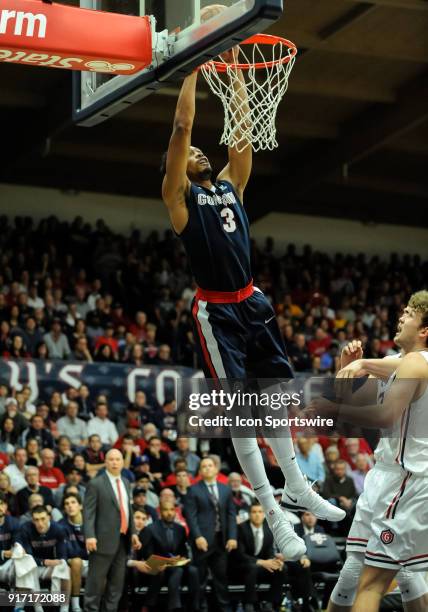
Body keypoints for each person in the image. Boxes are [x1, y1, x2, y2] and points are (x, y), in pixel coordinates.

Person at [161, 32, 344, 560]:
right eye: (189, 154)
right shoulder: (179, 200)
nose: (198, 150)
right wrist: (194, 65)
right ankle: (277, 513)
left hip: (253, 300)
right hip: (216, 309)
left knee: (275, 400)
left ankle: (296, 484)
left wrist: (238, 65)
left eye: (201, 151)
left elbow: (241, 130)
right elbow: (181, 127)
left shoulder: (230, 186)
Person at [317, 294, 428, 612]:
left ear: (424, 330)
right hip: (386, 477)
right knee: (359, 572)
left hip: (409, 481)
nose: (401, 316)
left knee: (372, 582)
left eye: (410, 314)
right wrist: (350, 367)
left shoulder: (416, 363)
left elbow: (382, 416)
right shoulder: (402, 362)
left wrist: (333, 406)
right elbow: (355, 405)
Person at [83, 448, 141, 612]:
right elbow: (88, 512)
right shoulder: (96, 483)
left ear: (123, 462)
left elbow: (127, 509)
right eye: (111, 459)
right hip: (101, 541)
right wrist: (90, 536)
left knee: (116, 586)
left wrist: (134, 533)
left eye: (118, 459)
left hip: (122, 541)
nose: (114, 462)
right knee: (95, 584)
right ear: (105, 462)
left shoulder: (126, 481)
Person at [184, 456, 237, 611]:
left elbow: (231, 514)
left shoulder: (225, 489)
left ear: (216, 469)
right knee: (199, 579)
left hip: (221, 540)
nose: (207, 468)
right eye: (204, 466)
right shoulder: (193, 489)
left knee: (221, 577)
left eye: (210, 465)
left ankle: (224, 608)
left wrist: (233, 536)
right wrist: (198, 536)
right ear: (200, 471)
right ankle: (198, 607)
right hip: (202, 541)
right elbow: (190, 516)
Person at [140, 500, 200, 611]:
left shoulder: (180, 529)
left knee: (193, 571)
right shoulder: (150, 529)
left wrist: (182, 558)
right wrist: (166, 561)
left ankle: (194, 607)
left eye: (172, 510)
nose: (169, 513)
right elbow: (147, 555)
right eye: (166, 510)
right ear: (160, 512)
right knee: (178, 571)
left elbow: (183, 552)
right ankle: (174, 607)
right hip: (158, 567)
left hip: (176, 564)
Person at [15, 504, 70, 612]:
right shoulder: (26, 529)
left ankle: (64, 607)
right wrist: (45, 562)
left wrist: (53, 563)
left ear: (49, 517)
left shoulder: (58, 529)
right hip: (34, 566)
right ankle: (37, 608)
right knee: (27, 566)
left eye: (43, 519)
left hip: (49, 567)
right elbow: (28, 558)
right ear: (32, 520)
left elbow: (62, 556)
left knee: (65, 568)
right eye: (36, 520)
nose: (40, 523)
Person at [234, 501, 287, 612]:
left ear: (264, 514)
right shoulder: (241, 529)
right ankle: (249, 604)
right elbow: (240, 555)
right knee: (252, 567)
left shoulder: (268, 529)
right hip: (241, 566)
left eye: (260, 512)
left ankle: (269, 602)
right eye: (254, 512)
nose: (257, 514)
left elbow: (269, 551)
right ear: (249, 514)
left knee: (281, 568)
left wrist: (274, 561)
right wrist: (262, 562)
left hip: (260, 566)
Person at [59, 493, 87, 612]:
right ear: (64, 508)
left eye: (73, 502)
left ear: (80, 506)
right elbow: (68, 551)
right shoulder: (61, 525)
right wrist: (85, 552)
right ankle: (75, 605)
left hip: (92, 561)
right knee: (76, 562)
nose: (70, 506)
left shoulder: (90, 522)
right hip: (71, 562)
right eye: (66, 504)